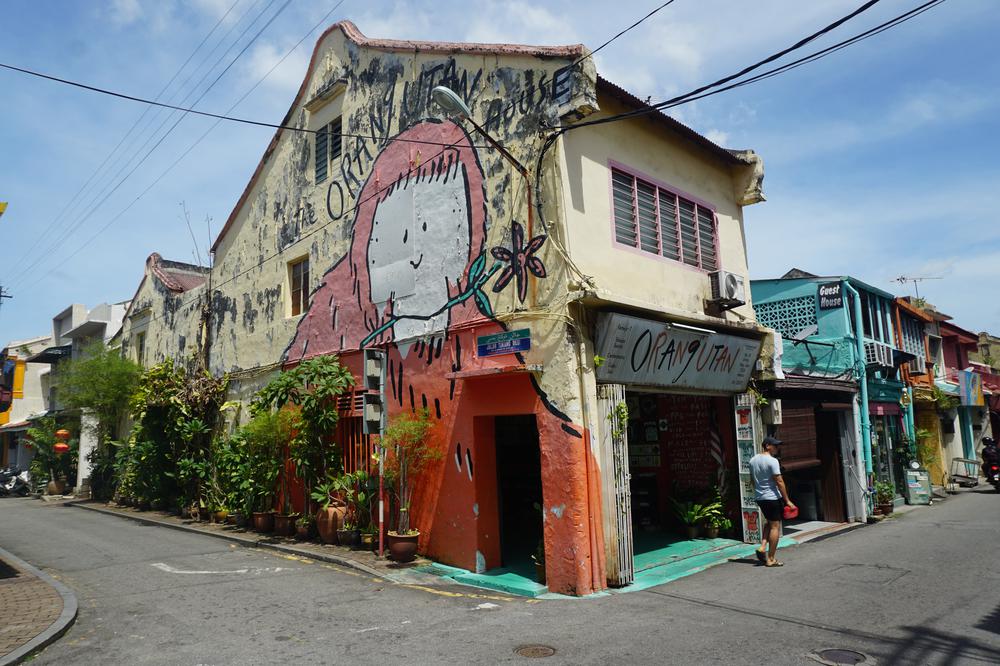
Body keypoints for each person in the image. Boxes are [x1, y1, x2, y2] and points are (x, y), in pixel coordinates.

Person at [750, 436, 796, 567]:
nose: (777, 448)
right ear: (767, 446)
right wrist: (787, 500)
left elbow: (752, 480)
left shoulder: (753, 460)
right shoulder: (772, 461)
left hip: (760, 498)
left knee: (769, 522)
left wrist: (759, 492)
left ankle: (762, 547)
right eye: (775, 446)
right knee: (775, 527)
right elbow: (779, 481)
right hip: (772, 498)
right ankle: (770, 559)